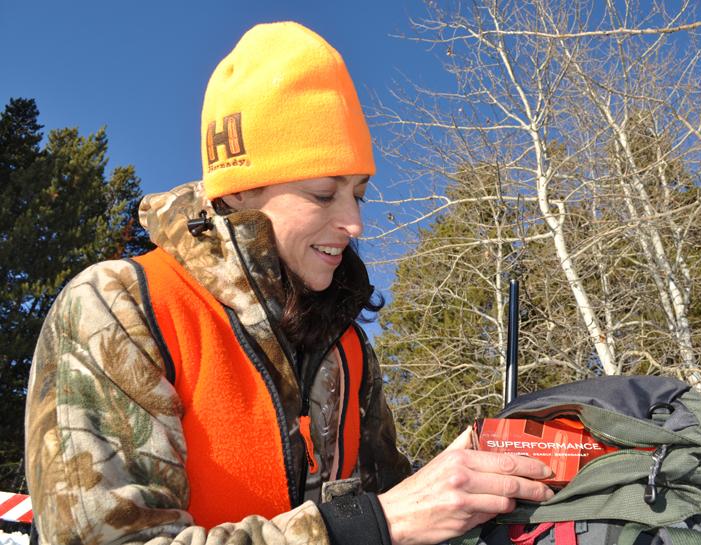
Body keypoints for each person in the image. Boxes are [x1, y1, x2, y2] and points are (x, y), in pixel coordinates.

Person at [24, 22, 553, 545]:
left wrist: (456, 489)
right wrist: (370, 527)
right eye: (323, 194)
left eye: (359, 193)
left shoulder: (345, 347)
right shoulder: (120, 309)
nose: (355, 224)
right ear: (237, 193)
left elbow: (395, 504)